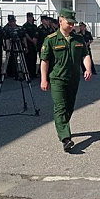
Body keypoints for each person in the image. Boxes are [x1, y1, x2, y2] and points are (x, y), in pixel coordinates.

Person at [40, 9, 92, 152]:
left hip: (73, 79)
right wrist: (44, 80)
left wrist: (87, 69)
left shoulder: (78, 39)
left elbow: (85, 55)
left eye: (73, 23)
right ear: (60, 21)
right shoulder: (51, 39)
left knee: (69, 107)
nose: (71, 26)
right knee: (60, 107)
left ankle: (62, 127)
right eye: (69, 23)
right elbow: (44, 61)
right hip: (57, 79)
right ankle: (65, 138)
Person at [3, 15, 27, 79]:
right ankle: (12, 73)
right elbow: (6, 39)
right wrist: (8, 48)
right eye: (11, 21)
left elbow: (23, 37)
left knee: (21, 59)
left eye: (13, 21)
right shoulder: (6, 28)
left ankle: (23, 74)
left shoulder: (19, 28)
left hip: (19, 45)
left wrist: (26, 46)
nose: (12, 23)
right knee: (12, 60)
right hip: (11, 46)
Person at [22, 12, 39, 78]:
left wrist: (35, 41)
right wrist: (32, 40)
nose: (30, 18)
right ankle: (27, 74)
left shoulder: (34, 26)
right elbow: (26, 35)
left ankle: (33, 73)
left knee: (34, 59)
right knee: (28, 60)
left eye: (31, 17)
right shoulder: (25, 26)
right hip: (28, 44)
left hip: (34, 44)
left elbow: (36, 35)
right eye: (29, 17)